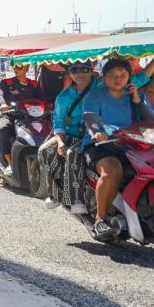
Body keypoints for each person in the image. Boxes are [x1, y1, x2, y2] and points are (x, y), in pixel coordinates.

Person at [81, 58, 154, 241]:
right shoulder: (94, 96)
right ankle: (99, 220)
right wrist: (97, 133)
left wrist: (138, 101)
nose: (118, 79)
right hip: (101, 145)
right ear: (104, 78)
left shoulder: (136, 96)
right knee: (113, 170)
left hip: (131, 144)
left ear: (129, 77)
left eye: (123, 75)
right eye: (112, 75)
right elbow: (91, 120)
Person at [40, 61, 96, 212]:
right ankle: (56, 194)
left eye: (84, 69)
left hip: (93, 135)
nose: (80, 73)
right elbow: (58, 122)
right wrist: (60, 143)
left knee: (73, 154)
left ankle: (76, 199)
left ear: (91, 71)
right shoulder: (63, 97)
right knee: (44, 150)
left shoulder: (101, 87)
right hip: (70, 135)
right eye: (75, 70)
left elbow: (138, 80)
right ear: (70, 74)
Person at [0, 62, 46, 175]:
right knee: (3, 128)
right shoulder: (6, 83)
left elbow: (43, 100)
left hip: (31, 116)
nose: (15, 69)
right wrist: (3, 104)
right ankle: (9, 162)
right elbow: (0, 95)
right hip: (11, 114)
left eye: (19, 67)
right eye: (14, 67)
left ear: (26, 68)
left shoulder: (34, 84)